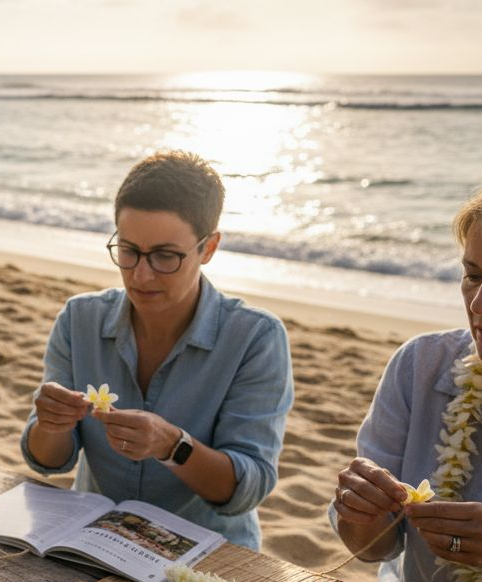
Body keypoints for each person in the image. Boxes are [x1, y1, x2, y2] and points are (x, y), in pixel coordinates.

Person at [21, 150, 293, 551]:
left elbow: (247, 489)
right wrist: (50, 424)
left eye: (166, 256)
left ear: (209, 248)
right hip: (96, 544)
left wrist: (172, 445)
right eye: (128, 250)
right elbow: (47, 460)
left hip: (210, 557)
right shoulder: (80, 319)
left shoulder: (256, 337)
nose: (141, 274)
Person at [330, 164, 482, 582]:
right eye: (472, 274)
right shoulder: (419, 367)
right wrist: (359, 513)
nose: (481, 303)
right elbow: (370, 549)